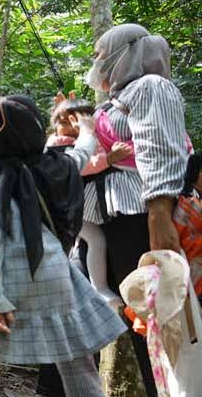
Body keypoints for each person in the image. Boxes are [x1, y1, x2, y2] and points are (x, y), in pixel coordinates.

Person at [0, 95, 126, 397]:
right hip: (56, 276)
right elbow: (82, 152)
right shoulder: (53, 164)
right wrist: (86, 125)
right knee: (77, 364)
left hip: (10, 282)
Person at [83, 24, 189, 396]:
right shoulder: (118, 99)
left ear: (124, 53)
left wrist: (159, 215)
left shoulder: (150, 87)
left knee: (164, 320)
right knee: (140, 319)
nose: (96, 61)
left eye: (100, 53)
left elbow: (159, 145)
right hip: (114, 220)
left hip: (141, 218)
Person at [47, 96, 132, 304]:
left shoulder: (77, 141)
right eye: (64, 122)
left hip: (76, 208)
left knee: (84, 244)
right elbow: (83, 164)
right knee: (96, 240)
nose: (70, 128)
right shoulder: (58, 145)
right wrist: (111, 157)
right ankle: (100, 288)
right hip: (67, 210)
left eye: (75, 122)